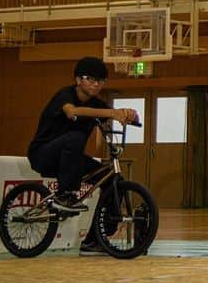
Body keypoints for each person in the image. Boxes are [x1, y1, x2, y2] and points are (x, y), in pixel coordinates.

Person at [28, 56, 138, 215]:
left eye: (101, 80)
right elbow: (72, 111)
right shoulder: (65, 95)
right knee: (76, 136)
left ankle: (99, 234)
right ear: (78, 79)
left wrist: (131, 115)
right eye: (91, 79)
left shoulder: (96, 104)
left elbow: (117, 115)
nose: (96, 84)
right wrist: (113, 113)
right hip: (43, 155)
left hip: (70, 160)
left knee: (113, 180)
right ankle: (65, 196)